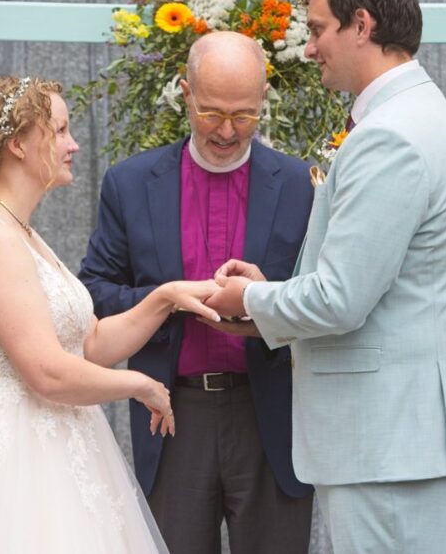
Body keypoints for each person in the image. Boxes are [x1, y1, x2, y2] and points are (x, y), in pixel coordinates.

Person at [207, 0, 446, 553]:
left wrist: (250, 298)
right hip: (403, 435)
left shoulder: (389, 137)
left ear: (361, 25)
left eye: (318, 30)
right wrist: (271, 296)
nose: (309, 48)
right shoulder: (420, 115)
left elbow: (341, 299)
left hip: (389, 439)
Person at [0, 76, 221, 553]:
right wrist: (139, 385)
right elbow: (46, 372)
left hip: (60, 440)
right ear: (18, 144)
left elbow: (90, 344)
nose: (73, 144)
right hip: (13, 455)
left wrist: (164, 298)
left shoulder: (21, 232)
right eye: (59, 131)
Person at [78, 31, 315, 553]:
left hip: (271, 413)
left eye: (244, 115)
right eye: (211, 113)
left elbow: (323, 296)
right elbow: (93, 293)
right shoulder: (130, 184)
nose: (227, 131)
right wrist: (165, 299)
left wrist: (267, 296)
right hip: (171, 415)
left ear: (263, 99)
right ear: (184, 93)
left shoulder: (302, 185)